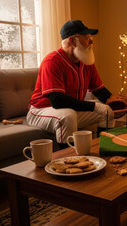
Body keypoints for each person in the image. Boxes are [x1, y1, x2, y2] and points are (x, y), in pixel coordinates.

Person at [27, 20, 116, 149]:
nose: (91, 41)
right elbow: (57, 101)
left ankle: (104, 150)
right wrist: (94, 106)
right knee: (68, 116)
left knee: (107, 112)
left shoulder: (85, 60)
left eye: (90, 37)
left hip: (70, 109)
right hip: (41, 110)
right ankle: (69, 161)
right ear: (72, 41)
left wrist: (113, 102)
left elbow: (99, 90)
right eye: (86, 38)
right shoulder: (52, 61)